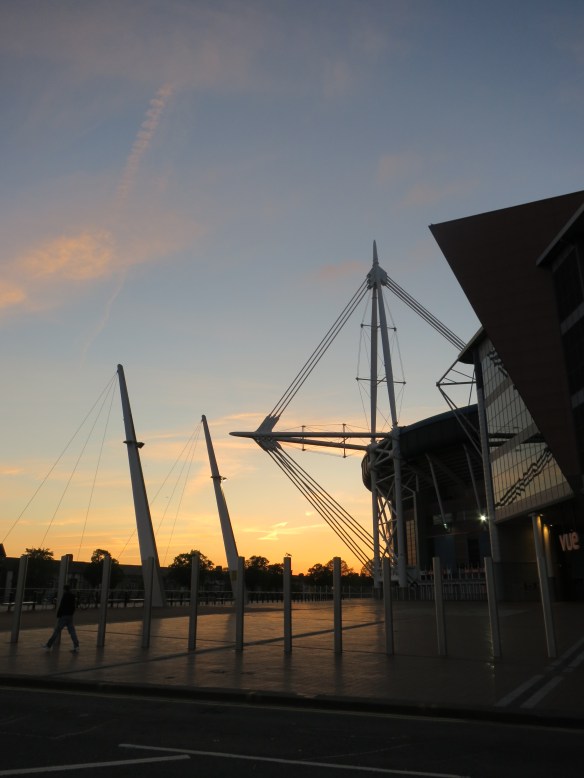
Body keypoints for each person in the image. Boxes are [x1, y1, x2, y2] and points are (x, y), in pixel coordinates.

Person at [43, 584, 80, 653]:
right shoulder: (72, 596)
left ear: (64, 589)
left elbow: (61, 606)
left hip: (64, 616)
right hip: (70, 616)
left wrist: (59, 615)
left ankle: (48, 645)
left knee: (57, 631)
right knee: (72, 632)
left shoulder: (65, 596)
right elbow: (74, 606)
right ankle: (76, 646)